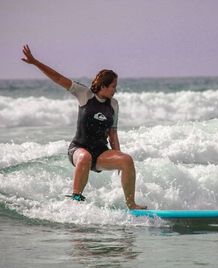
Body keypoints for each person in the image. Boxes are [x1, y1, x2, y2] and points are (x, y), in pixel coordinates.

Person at [21, 45, 146, 209]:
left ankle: (131, 205)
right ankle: (76, 199)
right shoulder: (84, 94)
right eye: (113, 86)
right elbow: (59, 78)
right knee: (85, 157)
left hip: (101, 152)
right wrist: (36, 62)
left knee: (127, 160)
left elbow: (113, 134)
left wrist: (118, 156)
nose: (115, 90)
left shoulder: (113, 105)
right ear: (103, 86)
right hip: (78, 149)